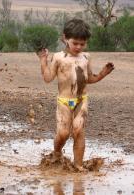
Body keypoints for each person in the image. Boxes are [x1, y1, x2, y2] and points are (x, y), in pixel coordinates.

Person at [37, 19, 114, 171]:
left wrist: (103, 74)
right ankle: (57, 153)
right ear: (65, 38)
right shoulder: (59, 57)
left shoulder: (86, 58)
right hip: (64, 101)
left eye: (82, 43)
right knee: (64, 133)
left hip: (81, 100)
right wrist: (43, 60)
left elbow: (89, 79)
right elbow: (47, 78)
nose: (79, 47)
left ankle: (78, 165)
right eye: (75, 43)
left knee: (78, 130)